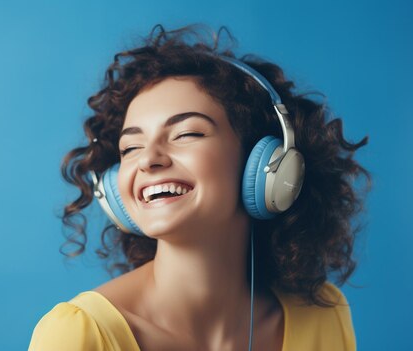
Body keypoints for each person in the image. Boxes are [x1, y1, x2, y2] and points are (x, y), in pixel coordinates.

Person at [28, 24, 369, 351]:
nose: (148, 160)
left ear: (269, 166)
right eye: (130, 148)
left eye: (186, 134)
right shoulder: (79, 334)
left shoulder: (323, 315)